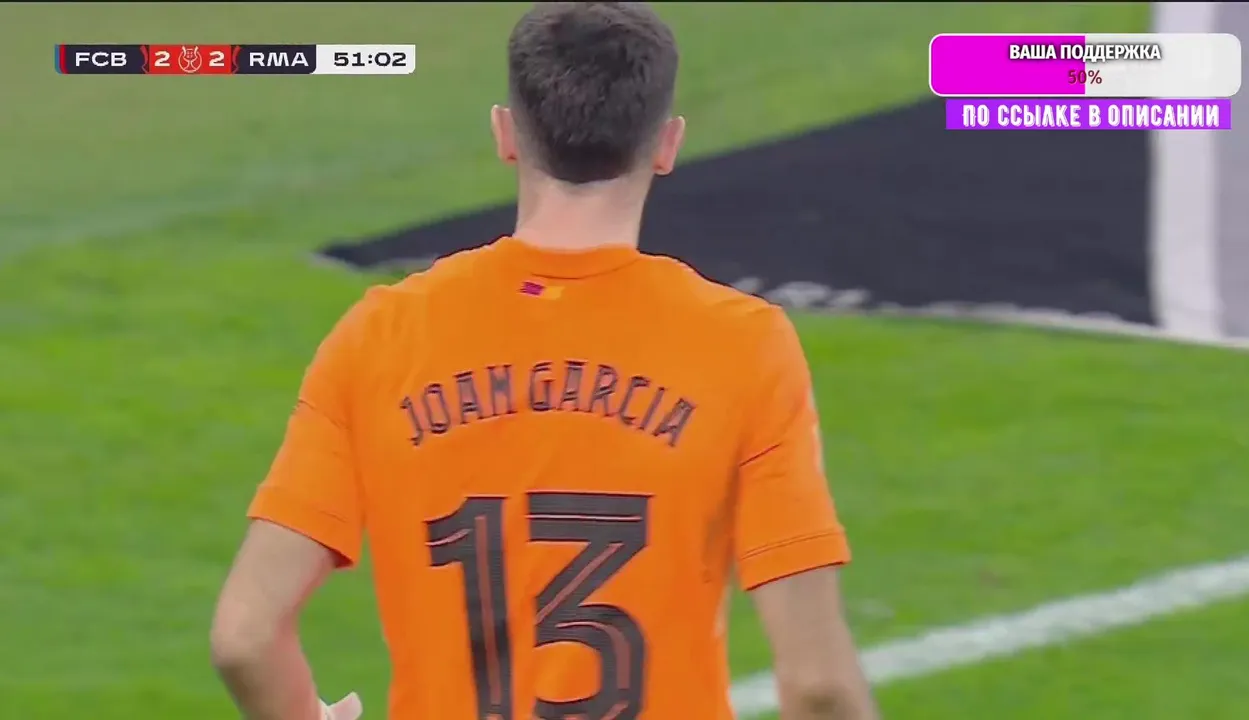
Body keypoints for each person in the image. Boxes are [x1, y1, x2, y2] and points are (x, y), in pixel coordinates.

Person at [210, 3, 879, 719]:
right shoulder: (743, 345)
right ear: (666, 144)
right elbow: (817, 685)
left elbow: (246, 638)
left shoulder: (381, 336)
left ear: (506, 134)